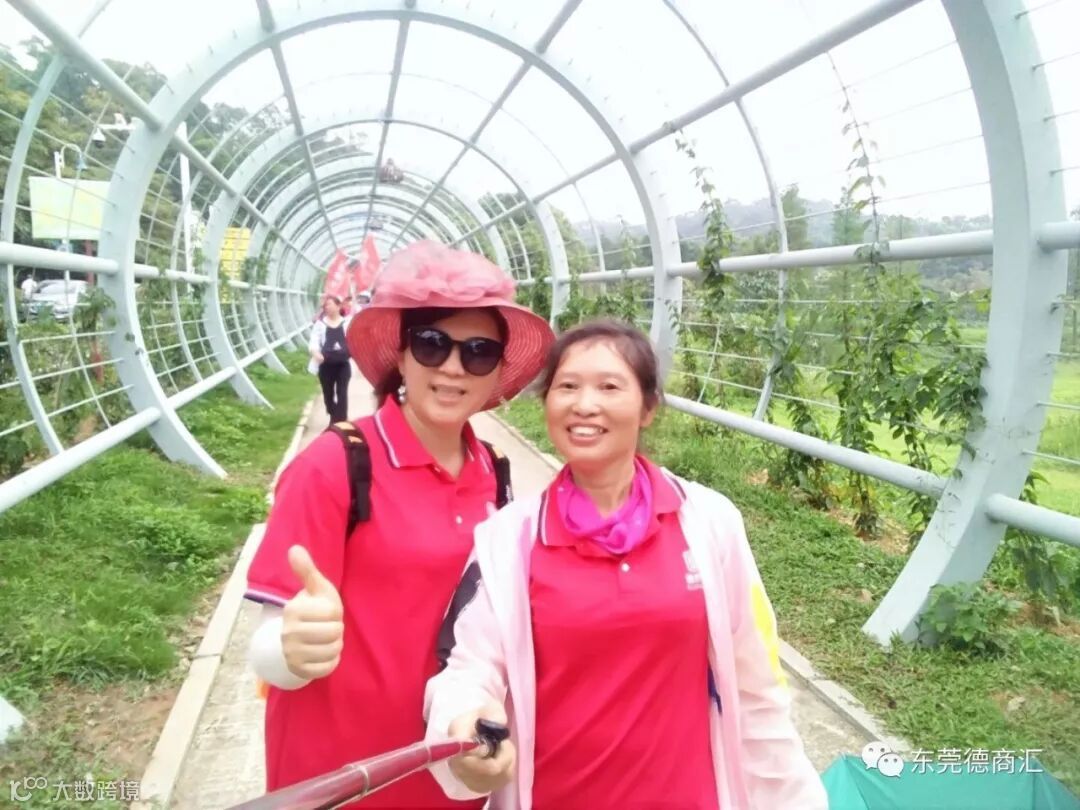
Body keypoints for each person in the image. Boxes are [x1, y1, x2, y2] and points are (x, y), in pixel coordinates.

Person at [424, 320, 828, 810]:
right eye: (567, 386)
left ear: (648, 407)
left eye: (609, 387)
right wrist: (463, 724)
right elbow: (467, 668)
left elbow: (757, 686)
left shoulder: (708, 523)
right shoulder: (510, 540)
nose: (584, 404)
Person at [244, 240, 555, 807]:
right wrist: (290, 650)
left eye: (479, 352)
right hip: (339, 777)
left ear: (495, 373)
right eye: (432, 343)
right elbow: (271, 643)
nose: (453, 367)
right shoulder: (336, 465)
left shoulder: (494, 473)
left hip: (449, 775)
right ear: (403, 357)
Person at [308, 295, 352, 423]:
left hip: (343, 364)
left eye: (329, 304)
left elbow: (355, 338)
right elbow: (314, 341)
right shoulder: (320, 324)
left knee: (342, 393)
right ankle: (334, 414)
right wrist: (316, 354)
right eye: (325, 305)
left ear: (338, 306)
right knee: (328, 394)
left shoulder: (347, 323)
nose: (326, 307)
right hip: (326, 365)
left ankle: (339, 421)